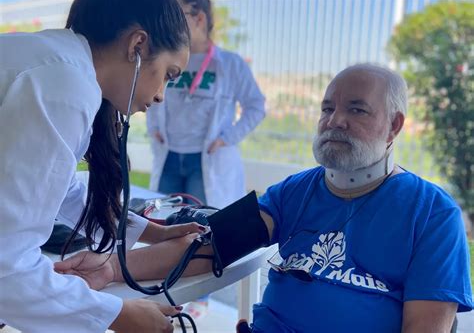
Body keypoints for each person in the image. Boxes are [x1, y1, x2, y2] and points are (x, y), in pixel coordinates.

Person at [55, 64, 473, 332]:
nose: (334, 121)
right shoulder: (298, 190)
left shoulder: (433, 215)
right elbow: (205, 246)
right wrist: (110, 268)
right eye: (326, 109)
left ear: (395, 126)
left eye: (357, 110)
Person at [0, 0, 207, 332]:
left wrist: (154, 233)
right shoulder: (64, 85)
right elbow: (6, 268)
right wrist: (118, 315)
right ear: (138, 45)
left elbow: (64, 190)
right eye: (169, 75)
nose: (161, 96)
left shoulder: (57, 64)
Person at [146, 0, 265, 321]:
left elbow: (256, 106)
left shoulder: (228, 63)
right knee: (163, 224)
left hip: (206, 161)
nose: (168, 21)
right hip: (170, 156)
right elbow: (153, 91)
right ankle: (164, 290)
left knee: (205, 228)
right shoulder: (171, 54)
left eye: (177, 14)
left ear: (198, 17)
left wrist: (228, 137)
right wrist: (154, 128)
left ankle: (202, 294)